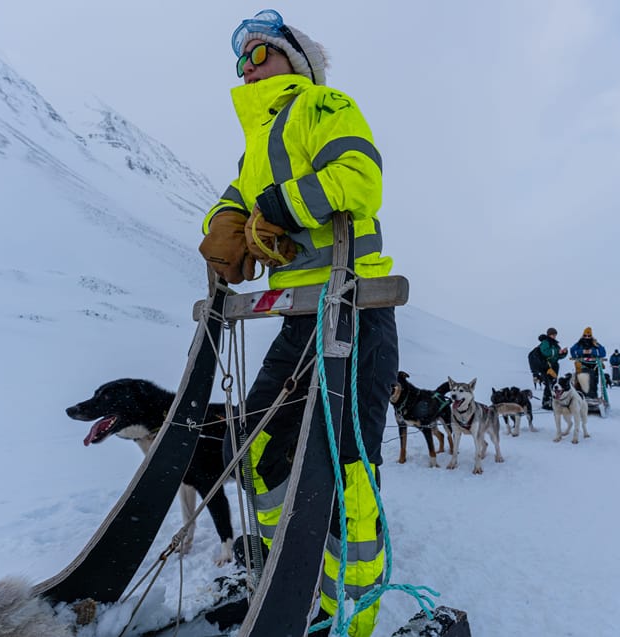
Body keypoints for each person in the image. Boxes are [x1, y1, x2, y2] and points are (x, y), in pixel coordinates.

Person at [197, 10, 395, 635]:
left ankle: (349, 617)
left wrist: (279, 207)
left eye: (263, 54)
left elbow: (359, 180)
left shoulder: (324, 106)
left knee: (348, 474)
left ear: (297, 61)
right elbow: (239, 199)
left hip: (354, 308)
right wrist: (224, 224)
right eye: (243, 59)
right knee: (260, 450)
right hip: (297, 317)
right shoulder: (253, 149)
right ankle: (288, 582)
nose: (249, 66)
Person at [535, 327, 568, 410]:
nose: (554, 336)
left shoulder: (554, 344)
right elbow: (545, 352)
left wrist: (563, 353)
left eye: (555, 334)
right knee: (548, 383)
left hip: (554, 365)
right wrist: (557, 352)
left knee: (553, 383)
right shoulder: (545, 342)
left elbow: (558, 356)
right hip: (547, 366)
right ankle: (546, 402)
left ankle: (552, 401)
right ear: (549, 334)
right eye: (552, 334)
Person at [569, 327, 607, 396]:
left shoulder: (595, 343)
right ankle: (581, 395)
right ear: (583, 335)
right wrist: (581, 352)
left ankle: (593, 396)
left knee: (593, 380)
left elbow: (603, 353)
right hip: (582, 363)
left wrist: (593, 351)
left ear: (591, 336)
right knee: (582, 380)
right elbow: (572, 350)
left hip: (593, 364)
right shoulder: (579, 343)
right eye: (585, 335)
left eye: (589, 336)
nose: (587, 337)